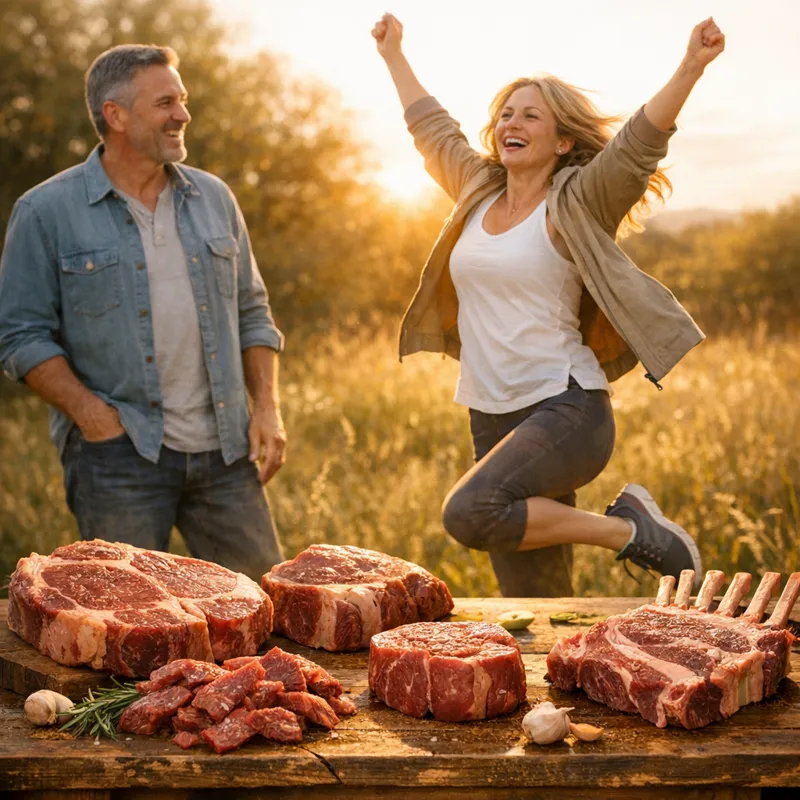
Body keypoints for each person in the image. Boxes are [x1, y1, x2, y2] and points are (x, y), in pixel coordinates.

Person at [372, 14, 726, 597]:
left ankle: (628, 531)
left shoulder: (579, 200)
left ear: (562, 141)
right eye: (506, 114)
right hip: (490, 412)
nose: (512, 122)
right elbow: (432, 130)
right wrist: (393, 55)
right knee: (535, 599)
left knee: (470, 512)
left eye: (530, 115)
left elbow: (637, 146)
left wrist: (690, 66)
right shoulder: (476, 188)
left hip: (566, 409)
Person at [0, 45, 286, 581]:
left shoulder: (214, 198)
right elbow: (20, 337)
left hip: (225, 451)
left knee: (263, 614)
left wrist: (266, 408)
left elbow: (253, 309)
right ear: (116, 116)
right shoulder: (45, 211)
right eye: (166, 102)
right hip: (118, 457)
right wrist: (91, 416)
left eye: (183, 100)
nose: (183, 114)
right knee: (131, 631)